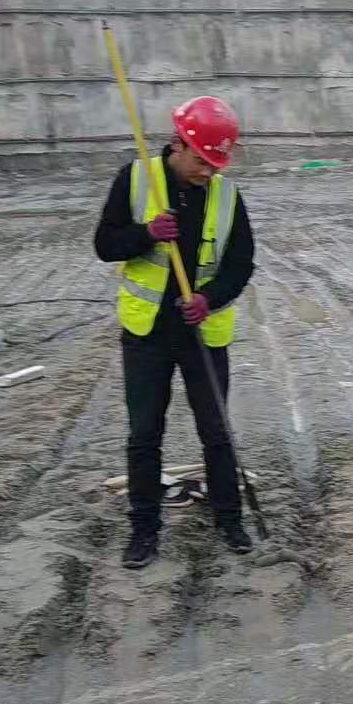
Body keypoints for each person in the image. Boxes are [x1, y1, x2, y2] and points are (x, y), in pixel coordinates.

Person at [94, 96, 256, 569]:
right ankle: (144, 529)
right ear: (180, 145)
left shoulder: (226, 196)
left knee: (217, 432)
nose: (209, 171)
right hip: (147, 335)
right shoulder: (136, 179)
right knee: (145, 434)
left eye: (216, 163)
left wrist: (211, 299)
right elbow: (104, 244)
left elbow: (242, 263)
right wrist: (144, 232)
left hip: (202, 335)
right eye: (203, 161)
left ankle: (230, 519)